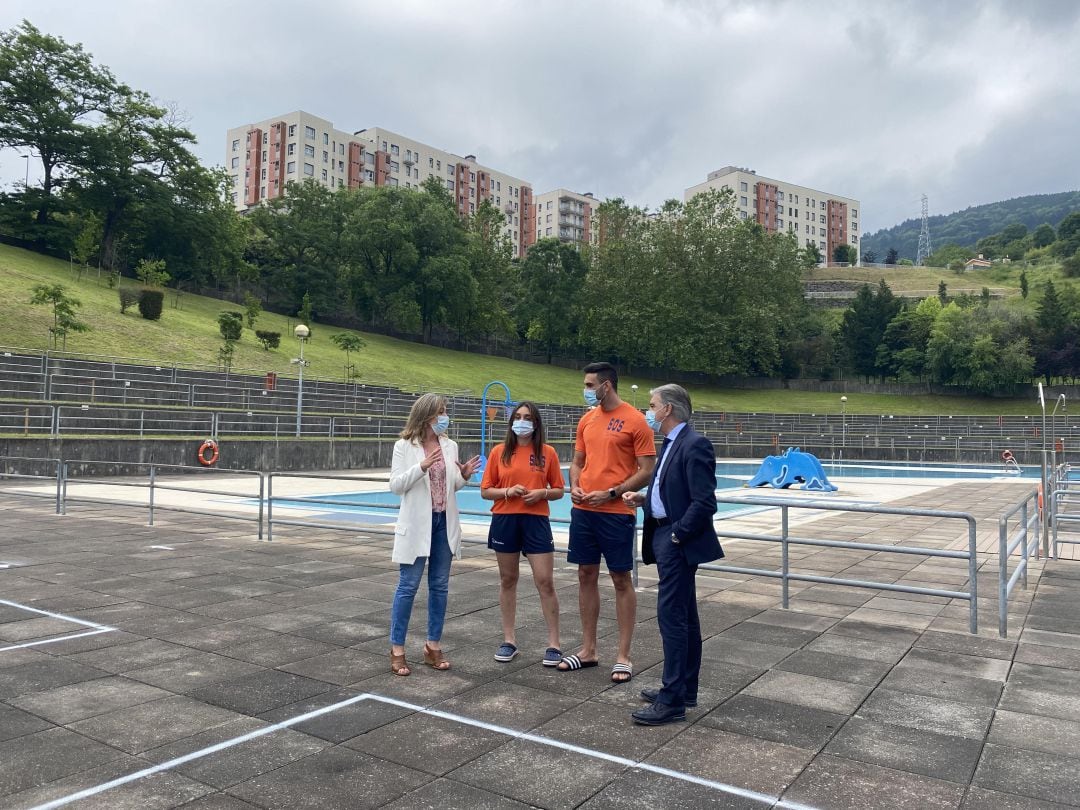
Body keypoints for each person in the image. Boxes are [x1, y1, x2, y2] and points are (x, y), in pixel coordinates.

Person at [623, 384, 722, 725]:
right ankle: (684, 689)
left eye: (651, 406)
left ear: (667, 409)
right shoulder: (671, 443)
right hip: (665, 533)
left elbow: (705, 502)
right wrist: (645, 500)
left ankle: (672, 699)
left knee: (673, 619)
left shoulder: (695, 444)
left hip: (677, 540)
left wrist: (678, 534)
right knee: (684, 616)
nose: (648, 411)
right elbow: (668, 486)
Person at [560, 362, 656, 683]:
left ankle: (623, 656)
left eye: (590, 385)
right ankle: (588, 650)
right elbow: (577, 463)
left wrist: (613, 492)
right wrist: (574, 485)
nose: (586, 391)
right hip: (584, 512)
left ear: (607, 385)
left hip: (616, 513)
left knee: (620, 579)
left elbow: (646, 470)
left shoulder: (636, 420)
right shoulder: (587, 420)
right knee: (585, 574)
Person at [388, 394, 480, 676]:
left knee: (439, 586)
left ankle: (432, 646)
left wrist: (463, 475)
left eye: (445, 412)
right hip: (418, 524)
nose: (445, 417)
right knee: (408, 586)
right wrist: (421, 467)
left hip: (443, 522)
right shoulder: (405, 446)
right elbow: (395, 485)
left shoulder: (449, 445)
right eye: (440, 412)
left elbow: (451, 486)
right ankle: (397, 649)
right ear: (427, 415)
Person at [480, 402, 566, 666]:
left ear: (536, 423)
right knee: (508, 579)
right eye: (517, 417)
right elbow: (486, 490)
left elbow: (559, 489)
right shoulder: (499, 452)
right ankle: (509, 640)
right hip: (505, 519)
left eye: (527, 417)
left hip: (536, 521)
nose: (522, 421)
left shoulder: (547, 453)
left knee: (545, 580)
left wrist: (542, 493)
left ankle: (554, 643)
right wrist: (507, 492)